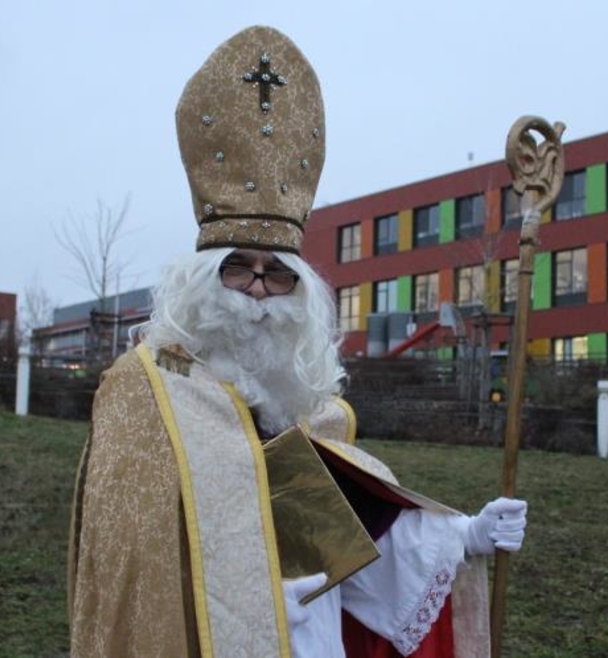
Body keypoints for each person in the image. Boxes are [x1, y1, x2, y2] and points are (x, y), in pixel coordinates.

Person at [68, 26, 527, 658]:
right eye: (238, 267)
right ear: (202, 279)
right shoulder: (143, 390)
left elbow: (359, 542)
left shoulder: (302, 407)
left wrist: (467, 537)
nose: (258, 290)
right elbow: (128, 568)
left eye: (276, 272)